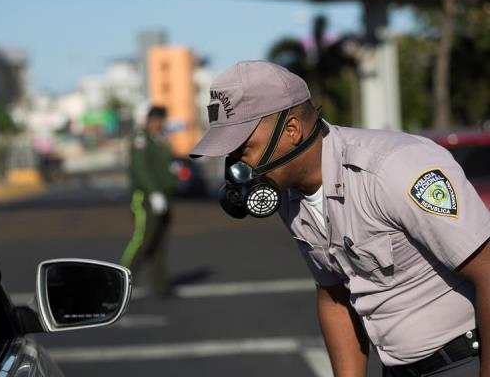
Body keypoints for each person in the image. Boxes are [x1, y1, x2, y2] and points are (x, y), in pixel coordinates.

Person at [190, 60, 490, 376]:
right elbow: (334, 296)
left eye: (243, 150)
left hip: (466, 361)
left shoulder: (392, 168)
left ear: (291, 130)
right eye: (230, 155)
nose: (236, 169)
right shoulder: (289, 195)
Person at [121, 105, 177, 298]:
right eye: (156, 120)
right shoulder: (141, 139)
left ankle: (161, 286)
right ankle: (120, 286)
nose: (158, 124)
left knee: (159, 241)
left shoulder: (159, 140)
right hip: (145, 197)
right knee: (142, 241)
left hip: (163, 196)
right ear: (149, 120)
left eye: (161, 121)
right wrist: (153, 192)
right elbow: (140, 168)